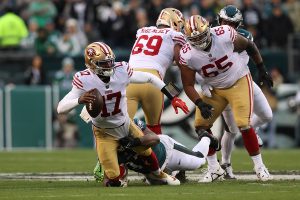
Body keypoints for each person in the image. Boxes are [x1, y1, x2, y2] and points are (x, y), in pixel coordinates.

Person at [57, 41, 189, 187]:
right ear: (92, 64)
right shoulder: (84, 79)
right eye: (104, 63)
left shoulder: (121, 70)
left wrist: (174, 96)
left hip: (126, 124)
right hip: (104, 133)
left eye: (110, 62)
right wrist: (79, 100)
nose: (110, 66)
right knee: (113, 180)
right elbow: (60, 108)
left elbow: (151, 78)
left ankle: (159, 174)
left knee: (147, 152)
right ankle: (115, 170)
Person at [178, 15, 273, 182]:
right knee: (201, 127)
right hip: (215, 88)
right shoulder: (187, 54)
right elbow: (188, 85)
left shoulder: (224, 34)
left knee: (243, 123)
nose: (199, 41)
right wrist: (199, 103)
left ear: (208, 30)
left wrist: (261, 68)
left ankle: (260, 167)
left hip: (238, 81)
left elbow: (249, 45)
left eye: (201, 36)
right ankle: (214, 168)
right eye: (194, 39)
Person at [203, 5, 273, 179]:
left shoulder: (241, 36)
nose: (227, 26)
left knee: (266, 115)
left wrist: (262, 69)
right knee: (231, 129)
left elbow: (248, 47)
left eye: (231, 23)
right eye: (225, 22)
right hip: (220, 86)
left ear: (238, 24)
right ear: (219, 20)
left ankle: (251, 130)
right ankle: (225, 163)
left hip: (243, 80)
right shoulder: (209, 36)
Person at [127, 8, 188, 135]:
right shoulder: (175, 35)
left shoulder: (142, 31)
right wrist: (175, 95)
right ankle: (153, 154)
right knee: (155, 130)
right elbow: (181, 62)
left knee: (124, 128)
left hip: (129, 80)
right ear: (175, 22)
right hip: (153, 82)